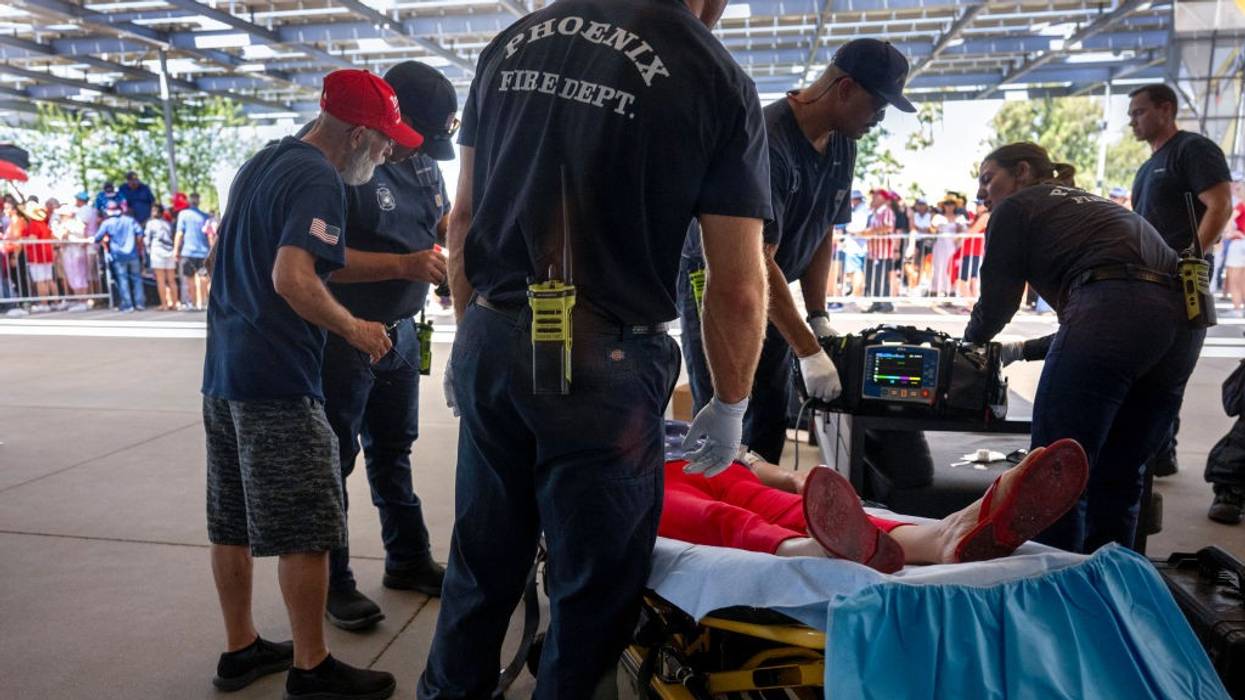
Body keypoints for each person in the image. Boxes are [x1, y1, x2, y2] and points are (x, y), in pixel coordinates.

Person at [421, 0, 772, 696]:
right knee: (591, 592)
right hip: (601, 362)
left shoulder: (513, 42)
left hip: (495, 330)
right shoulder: (711, 73)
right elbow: (735, 281)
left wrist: (469, 344)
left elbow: (461, 218)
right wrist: (729, 402)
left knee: (481, 564)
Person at [201, 68, 419, 699]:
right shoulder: (320, 178)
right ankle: (311, 666)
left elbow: (226, 261)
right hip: (279, 378)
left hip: (224, 374)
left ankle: (240, 649)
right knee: (310, 524)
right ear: (354, 135)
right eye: (382, 142)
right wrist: (356, 330)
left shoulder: (261, 163)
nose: (387, 153)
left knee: (232, 519)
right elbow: (293, 277)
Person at [676, 39, 914, 463]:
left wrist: (817, 318)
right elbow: (754, 261)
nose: (879, 119)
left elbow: (824, 230)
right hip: (721, 280)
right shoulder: (768, 142)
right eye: (876, 106)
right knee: (727, 408)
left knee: (769, 407)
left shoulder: (843, 143)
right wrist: (808, 350)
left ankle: (763, 514)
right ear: (843, 88)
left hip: (772, 286)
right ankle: (720, 513)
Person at [964, 142, 1204, 554]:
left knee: (1054, 472)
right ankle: (1107, 586)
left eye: (988, 179)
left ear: (1022, 171)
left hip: (1116, 309)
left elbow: (998, 304)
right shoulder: (1094, 206)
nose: (982, 193)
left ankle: (1053, 594)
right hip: (1185, 320)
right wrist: (1021, 349)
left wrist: (968, 345)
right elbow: (1126, 316)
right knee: (1121, 474)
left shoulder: (1017, 207)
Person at [317, 60, 455, 631]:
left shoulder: (422, 165)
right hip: (343, 334)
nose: (406, 151)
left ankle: (407, 558)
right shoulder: (337, 165)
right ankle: (334, 581)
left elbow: (442, 221)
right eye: (404, 138)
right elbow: (317, 261)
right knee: (334, 460)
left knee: (394, 449)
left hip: (399, 331)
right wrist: (406, 264)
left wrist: (449, 258)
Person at [662, 438, 1088, 571]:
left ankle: (948, 534)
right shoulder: (607, 420)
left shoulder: (687, 425)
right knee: (719, 520)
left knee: (782, 507)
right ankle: (815, 549)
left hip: (714, 464)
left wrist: (794, 478)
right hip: (641, 480)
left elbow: (753, 461)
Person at [1128, 83, 1233, 479]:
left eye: (1139, 112)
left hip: (1182, 280)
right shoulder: (1147, 165)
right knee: (1149, 371)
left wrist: (1190, 257)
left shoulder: (1192, 149)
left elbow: (1220, 204)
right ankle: (1158, 452)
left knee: (1167, 373)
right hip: (1151, 281)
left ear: (1165, 109)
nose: (1132, 121)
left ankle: (1157, 452)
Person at [94, 201, 145, 312]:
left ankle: (128, 305)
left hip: (118, 256)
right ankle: (140, 304)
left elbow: (97, 237)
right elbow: (140, 234)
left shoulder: (107, 223)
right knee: (136, 279)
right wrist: (138, 247)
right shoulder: (130, 220)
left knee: (123, 280)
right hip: (133, 254)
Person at [174, 193, 212, 310]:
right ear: (199, 201)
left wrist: (175, 249)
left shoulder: (183, 214)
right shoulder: (205, 216)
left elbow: (180, 233)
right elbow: (210, 235)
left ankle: (193, 303)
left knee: (189, 278)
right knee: (203, 277)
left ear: (189, 201)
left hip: (188, 251)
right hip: (204, 251)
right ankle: (205, 302)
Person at [864, 188, 898, 312]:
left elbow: (888, 227)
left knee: (881, 278)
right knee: (870, 278)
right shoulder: (873, 212)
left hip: (882, 251)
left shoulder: (887, 211)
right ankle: (876, 302)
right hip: (872, 251)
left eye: (876, 195)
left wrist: (869, 232)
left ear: (883, 198)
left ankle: (886, 304)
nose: (873, 197)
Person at [19, 202, 56, 306]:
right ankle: (56, 302)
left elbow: (32, 239)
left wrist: (22, 239)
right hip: (46, 255)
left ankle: (44, 304)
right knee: (49, 279)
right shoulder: (43, 224)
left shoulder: (34, 225)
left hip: (37, 256)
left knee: (40, 281)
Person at [146, 203, 179, 310]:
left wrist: (148, 252)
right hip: (169, 252)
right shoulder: (168, 223)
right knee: (171, 280)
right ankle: (174, 303)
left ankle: (164, 304)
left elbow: (147, 240)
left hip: (157, 252)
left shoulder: (150, 223)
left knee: (161, 280)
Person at [929, 196, 964, 298]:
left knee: (951, 269)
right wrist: (935, 227)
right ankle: (935, 290)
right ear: (943, 205)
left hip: (953, 246)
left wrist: (958, 229)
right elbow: (932, 230)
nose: (949, 206)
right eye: (947, 203)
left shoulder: (960, 218)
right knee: (938, 267)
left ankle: (950, 291)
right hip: (940, 245)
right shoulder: (938, 217)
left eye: (951, 203)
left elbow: (962, 232)